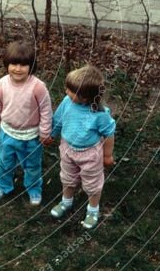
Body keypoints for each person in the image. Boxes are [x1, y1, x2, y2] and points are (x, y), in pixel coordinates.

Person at [49, 65, 116, 229]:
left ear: (86, 97)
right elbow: (58, 120)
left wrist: (107, 155)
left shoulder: (100, 114)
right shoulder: (67, 102)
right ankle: (66, 201)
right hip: (67, 149)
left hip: (90, 155)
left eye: (72, 91)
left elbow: (108, 134)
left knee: (92, 183)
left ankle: (93, 210)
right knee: (67, 177)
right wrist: (52, 134)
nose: (66, 92)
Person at [0, 41, 53, 205]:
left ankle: (33, 189)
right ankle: (3, 186)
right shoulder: (2, 84)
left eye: (23, 65)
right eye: (14, 64)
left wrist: (45, 133)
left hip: (32, 137)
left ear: (31, 66)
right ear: (6, 64)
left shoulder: (38, 87)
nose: (18, 68)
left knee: (32, 166)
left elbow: (46, 110)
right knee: (4, 163)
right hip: (7, 134)